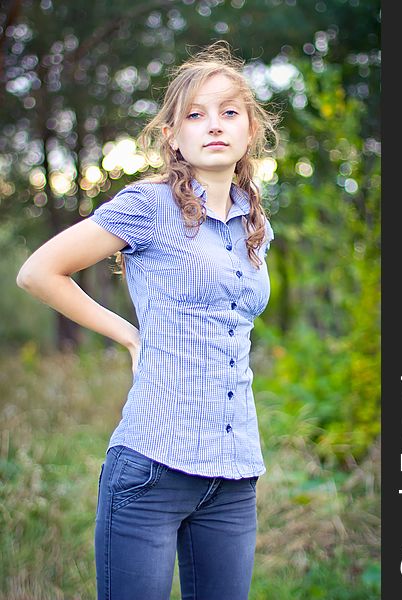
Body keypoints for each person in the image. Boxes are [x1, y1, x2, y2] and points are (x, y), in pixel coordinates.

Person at [16, 40, 279, 600]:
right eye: (195, 114)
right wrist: (128, 334)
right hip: (153, 469)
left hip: (233, 476)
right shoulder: (149, 205)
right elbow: (40, 272)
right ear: (173, 136)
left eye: (229, 112)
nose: (214, 125)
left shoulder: (254, 222)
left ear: (250, 129)